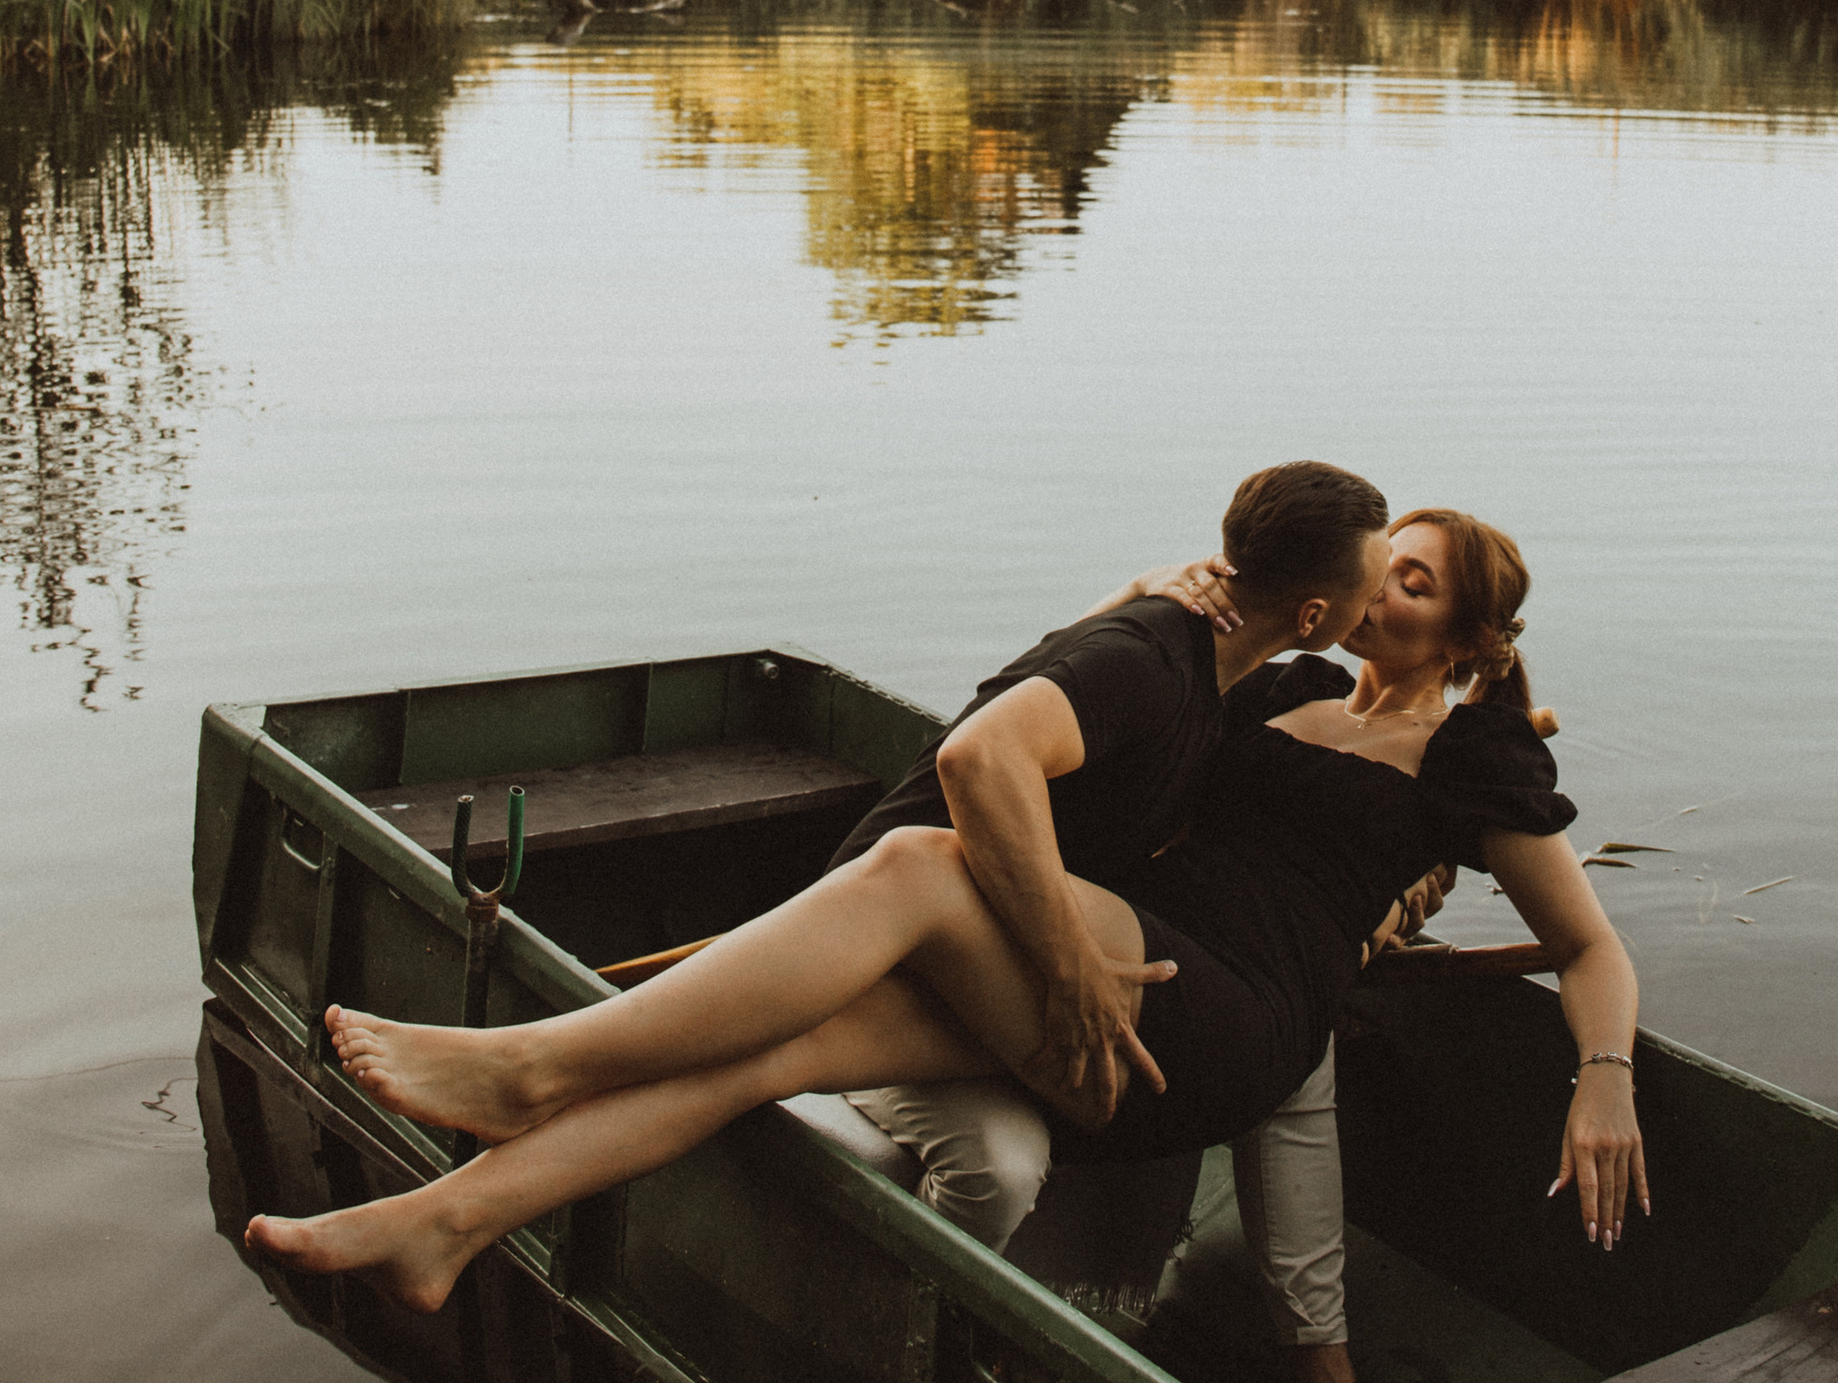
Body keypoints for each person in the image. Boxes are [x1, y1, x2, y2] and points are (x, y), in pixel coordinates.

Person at [245, 510, 1648, 1321]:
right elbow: (1119, 697)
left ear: (1465, 639)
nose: (1376, 594)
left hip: (1223, 1014)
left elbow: (1588, 945)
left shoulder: (1475, 763)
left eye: (1414, 583)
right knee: (766, 1052)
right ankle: (452, 1224)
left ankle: (534, 1062)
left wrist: (1601, 1078)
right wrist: (1147, 592)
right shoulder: (1280, 691)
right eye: (1379, 565)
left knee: (918, 867)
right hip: (1120, 959)